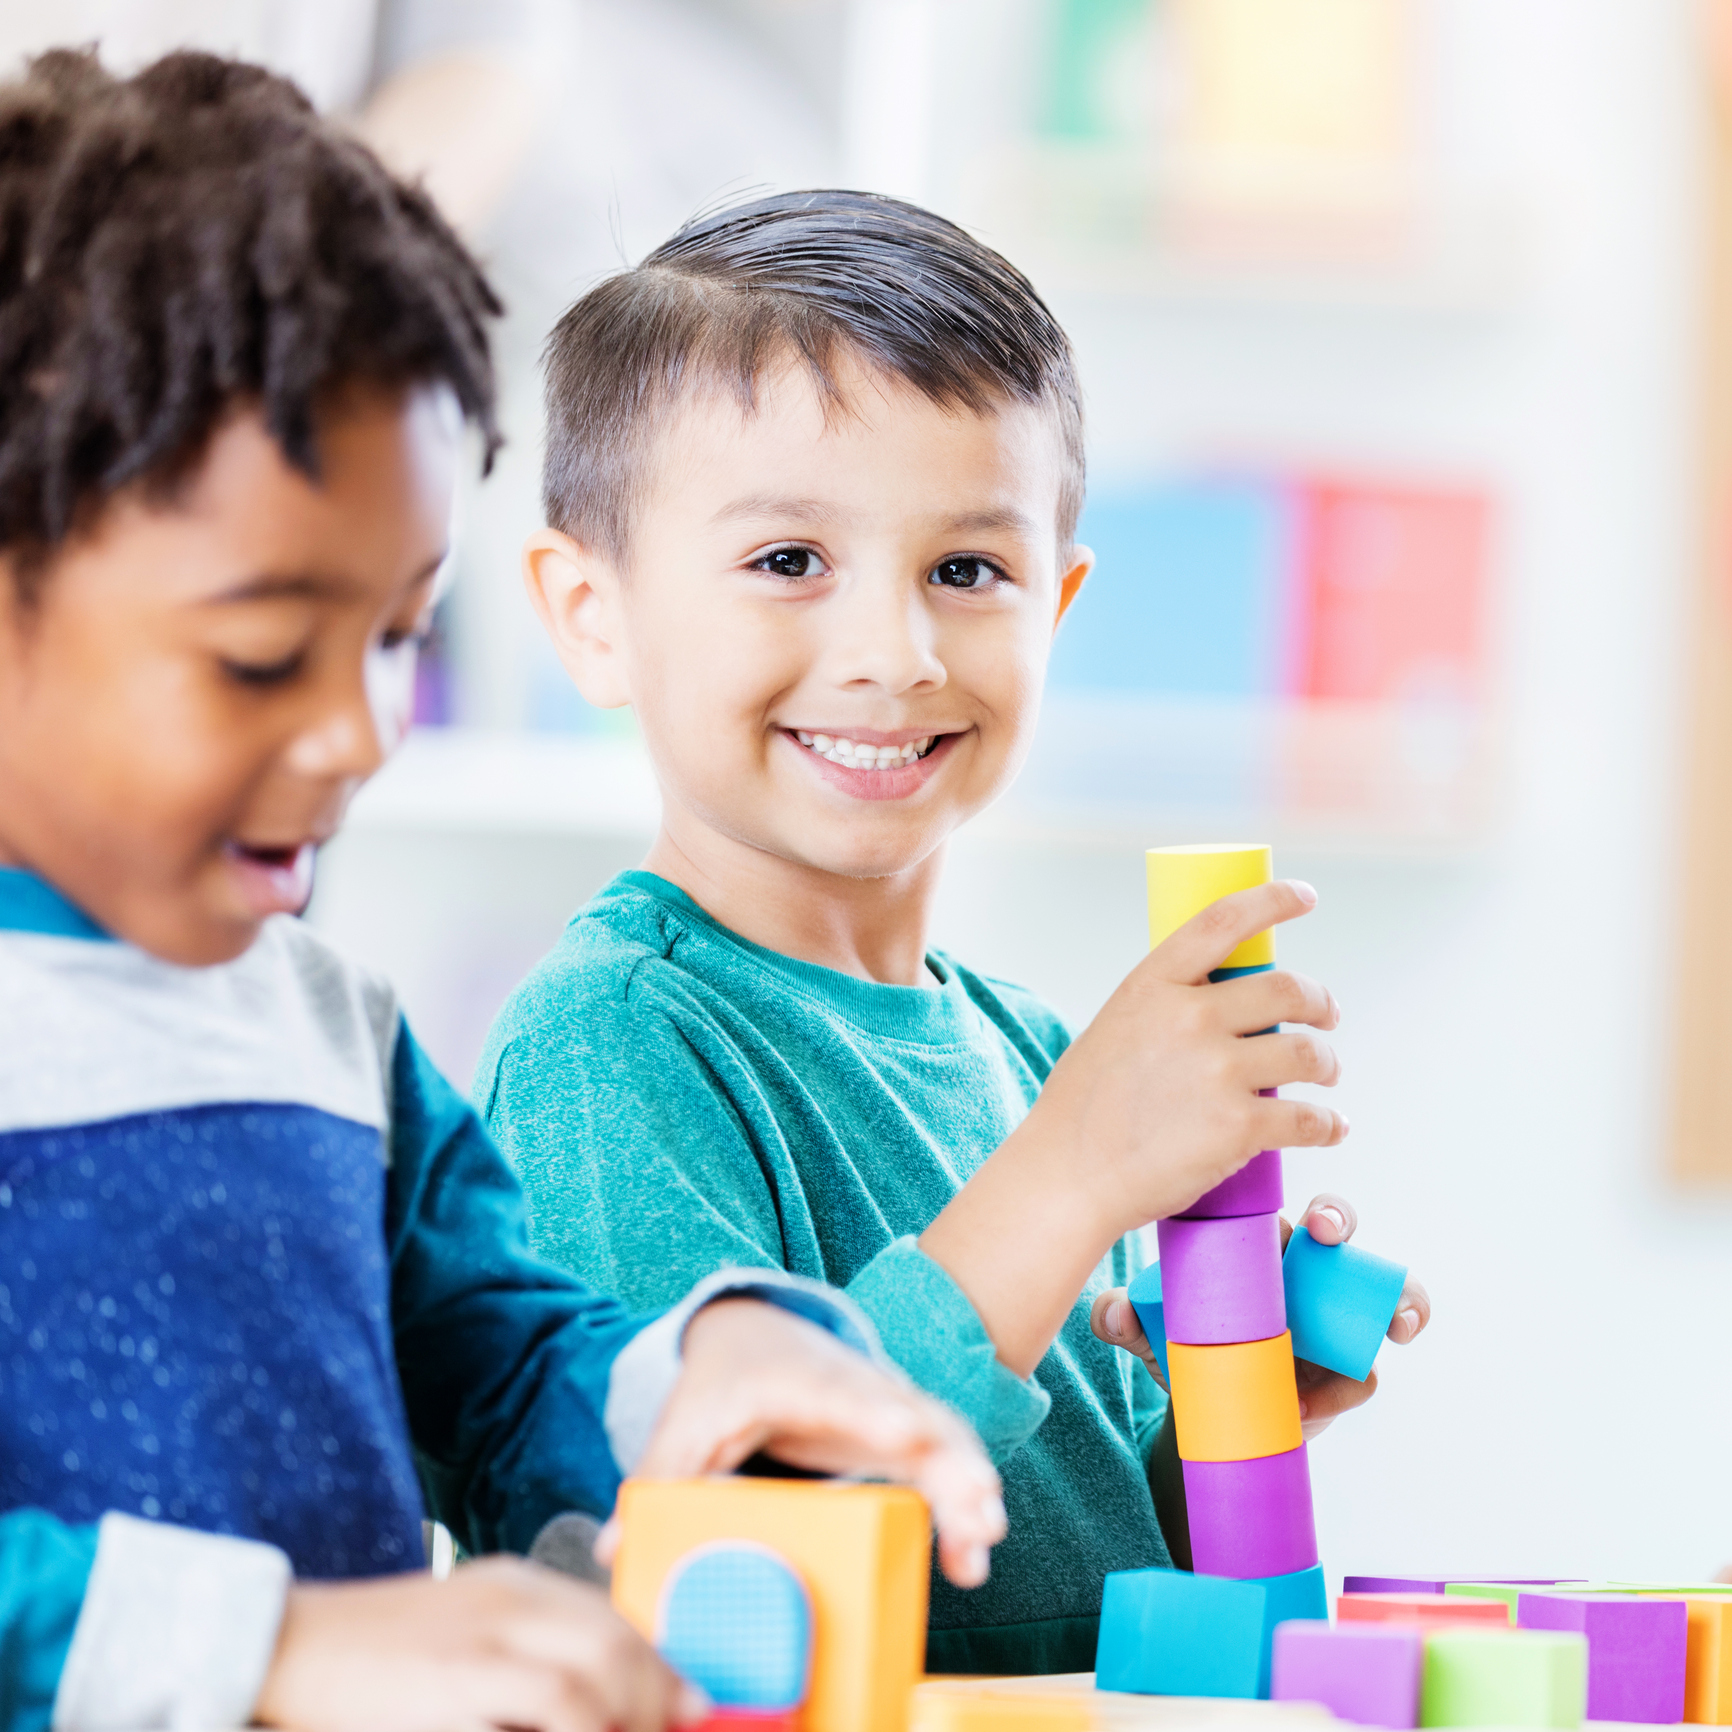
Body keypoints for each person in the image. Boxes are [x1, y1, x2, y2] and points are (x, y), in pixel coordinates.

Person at [0, 65, 1006, 1732]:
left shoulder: (323, 1027)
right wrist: (274, 1652)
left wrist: (710, 1367)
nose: (361, 731)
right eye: (262, 654)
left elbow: (507, 1357)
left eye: (397, 636)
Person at [478, 189, 1432, 1675]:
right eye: (788, 560)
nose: (895, 654)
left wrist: (1225, 1413)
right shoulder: (611, 1043)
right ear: (594, 614)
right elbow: (698, 1557)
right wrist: (1070, 1175)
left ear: (1058, 606)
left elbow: (1069, 1576)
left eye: (968, 572)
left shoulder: (1029, 1053)